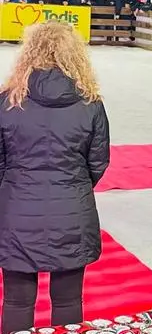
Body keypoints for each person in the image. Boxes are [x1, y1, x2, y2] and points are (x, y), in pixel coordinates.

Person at [0, 21, 110, 333]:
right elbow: (98, 162)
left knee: (16, 302)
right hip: (72, 214)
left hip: (16, 213)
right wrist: (73, 186)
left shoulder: (7, 101)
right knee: (68, 301)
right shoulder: (91, 104)